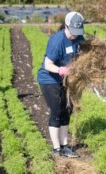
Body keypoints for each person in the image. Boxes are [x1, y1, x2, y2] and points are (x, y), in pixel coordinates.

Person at [37, 11, 85, 158]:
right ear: (66, 26)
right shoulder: (57, 41)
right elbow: (47, 64)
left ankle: (65, 146)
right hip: (49, 79)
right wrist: (60, 69)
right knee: (57, 111)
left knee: (67, 110)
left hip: (66, 79)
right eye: (72, 32)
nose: (75, 35)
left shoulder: (78, 37)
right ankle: (56, 149)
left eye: (78, 32)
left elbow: (82, 50)